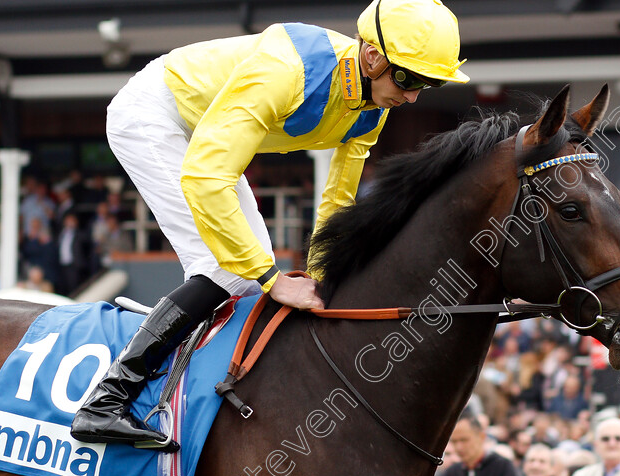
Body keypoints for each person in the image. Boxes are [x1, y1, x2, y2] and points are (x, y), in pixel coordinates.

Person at [70, 0, 469, 449]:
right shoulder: (287, 69)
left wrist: (321, 276)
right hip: (155, 112)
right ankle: (106, 402)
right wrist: (271, 278)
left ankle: (191, 380)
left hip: (205, 126)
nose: (413, 96)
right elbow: (206, 176)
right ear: (373, 56)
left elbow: (338, 199)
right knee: (229, 267)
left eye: (428, 84)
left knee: (242, 270)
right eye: (409, 79)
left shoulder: (374, 103)